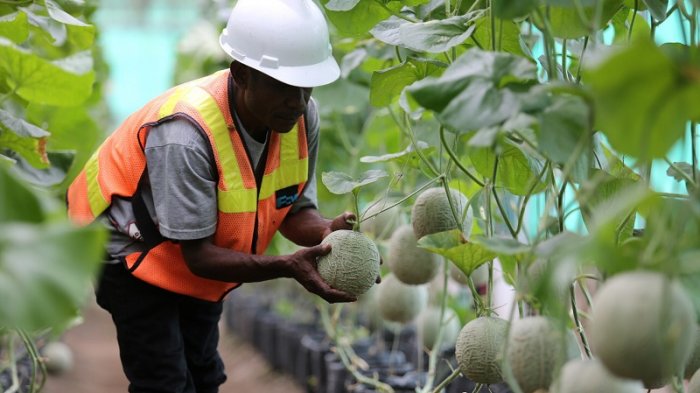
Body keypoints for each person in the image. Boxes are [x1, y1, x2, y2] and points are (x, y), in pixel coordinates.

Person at [66, 0, 361, 391]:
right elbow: (199, 256)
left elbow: (291, 211)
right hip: (128, 247)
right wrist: (286, 265)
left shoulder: (301, 117)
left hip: (195, 250)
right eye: (284, 86)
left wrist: (328, 232)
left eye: (306, 85)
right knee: (164, 380)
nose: (298, 100)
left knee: (204, 374)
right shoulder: (186, 135)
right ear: (241, 74)